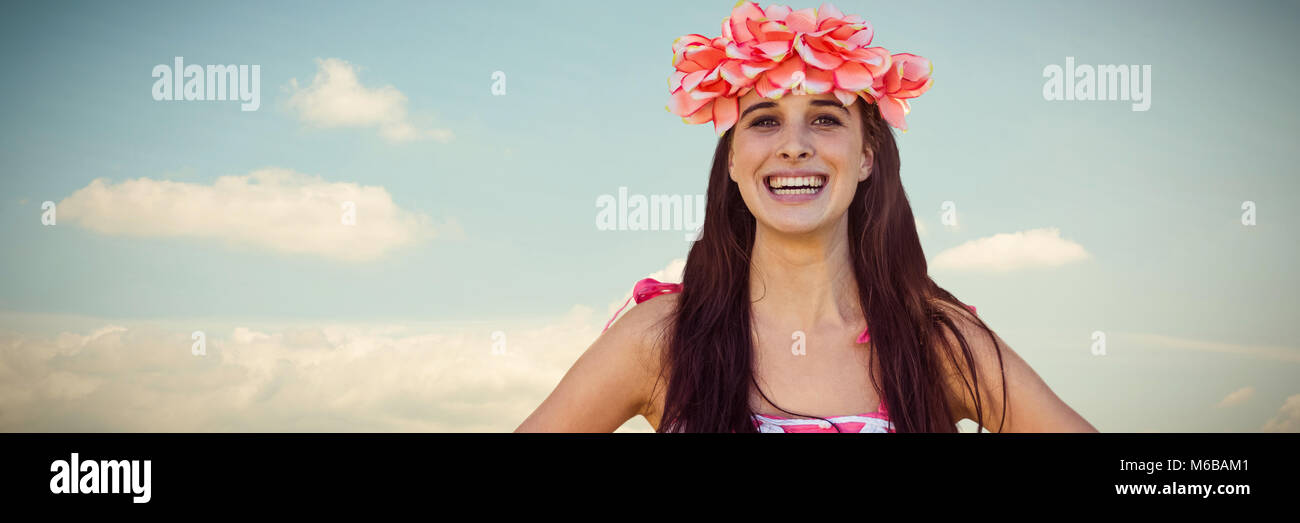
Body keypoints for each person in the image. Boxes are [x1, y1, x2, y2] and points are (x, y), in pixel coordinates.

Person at [517, 2, 1097, 433]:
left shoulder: (935, 341)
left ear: (866, 157)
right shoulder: (662, 338)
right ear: (736, 161)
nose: (794, 147)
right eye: (764, 121)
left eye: (825, 119)